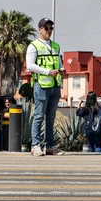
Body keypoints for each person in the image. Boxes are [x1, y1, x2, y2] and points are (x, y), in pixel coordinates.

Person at [26, 17, 63, 156]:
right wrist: (48, 72)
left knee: (51, 117)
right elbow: (30, 65)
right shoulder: (33, 46)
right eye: (45, 28)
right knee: (38, 116)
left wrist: (62, 68)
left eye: (50, 28)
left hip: (55, 85)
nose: (48, 31)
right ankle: (35, 145)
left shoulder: (56, 46)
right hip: (41, 85)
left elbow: (58, 63)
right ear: (39, 29)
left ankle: (49, 146)